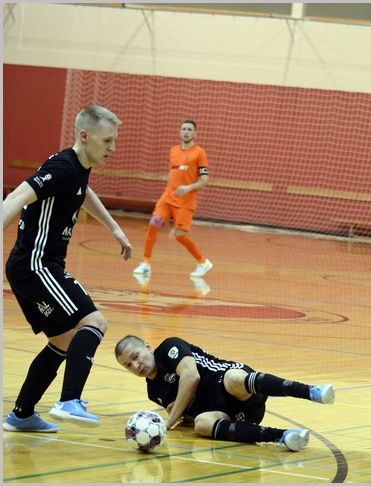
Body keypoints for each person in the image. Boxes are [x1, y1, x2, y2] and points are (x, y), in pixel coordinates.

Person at [3, 105, 133, 433]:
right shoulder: (61, 167)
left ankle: (21, 415)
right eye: (107, 140)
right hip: (36, 266)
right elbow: (15, 197)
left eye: (114, 140)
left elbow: (83, 192)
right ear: (84, 136)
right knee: (94, 322)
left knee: (64, 340)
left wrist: (114, 228)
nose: (113, 147)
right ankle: (69, 400)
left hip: (31, 267)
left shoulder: (79, 167)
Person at [115, 335, 335, 451]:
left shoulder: (169, 348)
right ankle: (285, 436)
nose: (135, 365)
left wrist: (170, 419)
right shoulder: (153, 392)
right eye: (128, 365)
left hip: (235, 386)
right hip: (232, 414)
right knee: (202, 424)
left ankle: (311, 392)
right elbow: (189, 412)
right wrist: (183, 416)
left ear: (148, 347)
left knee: (234, 380)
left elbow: (191, 376)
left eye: (135, 356)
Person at [133, 120, 212, 279]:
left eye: (189, 129)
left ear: (195, 133)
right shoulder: (173, 151)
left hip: (185, 202)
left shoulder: (199, 153)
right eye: (184, 129)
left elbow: (205, 178)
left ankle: (203, 262)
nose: (186, 132)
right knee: (154, 223)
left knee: (180, 236)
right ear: (180, 132)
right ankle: (146, 263)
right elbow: (172, 172)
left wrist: (188, 187)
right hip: (168, 198)